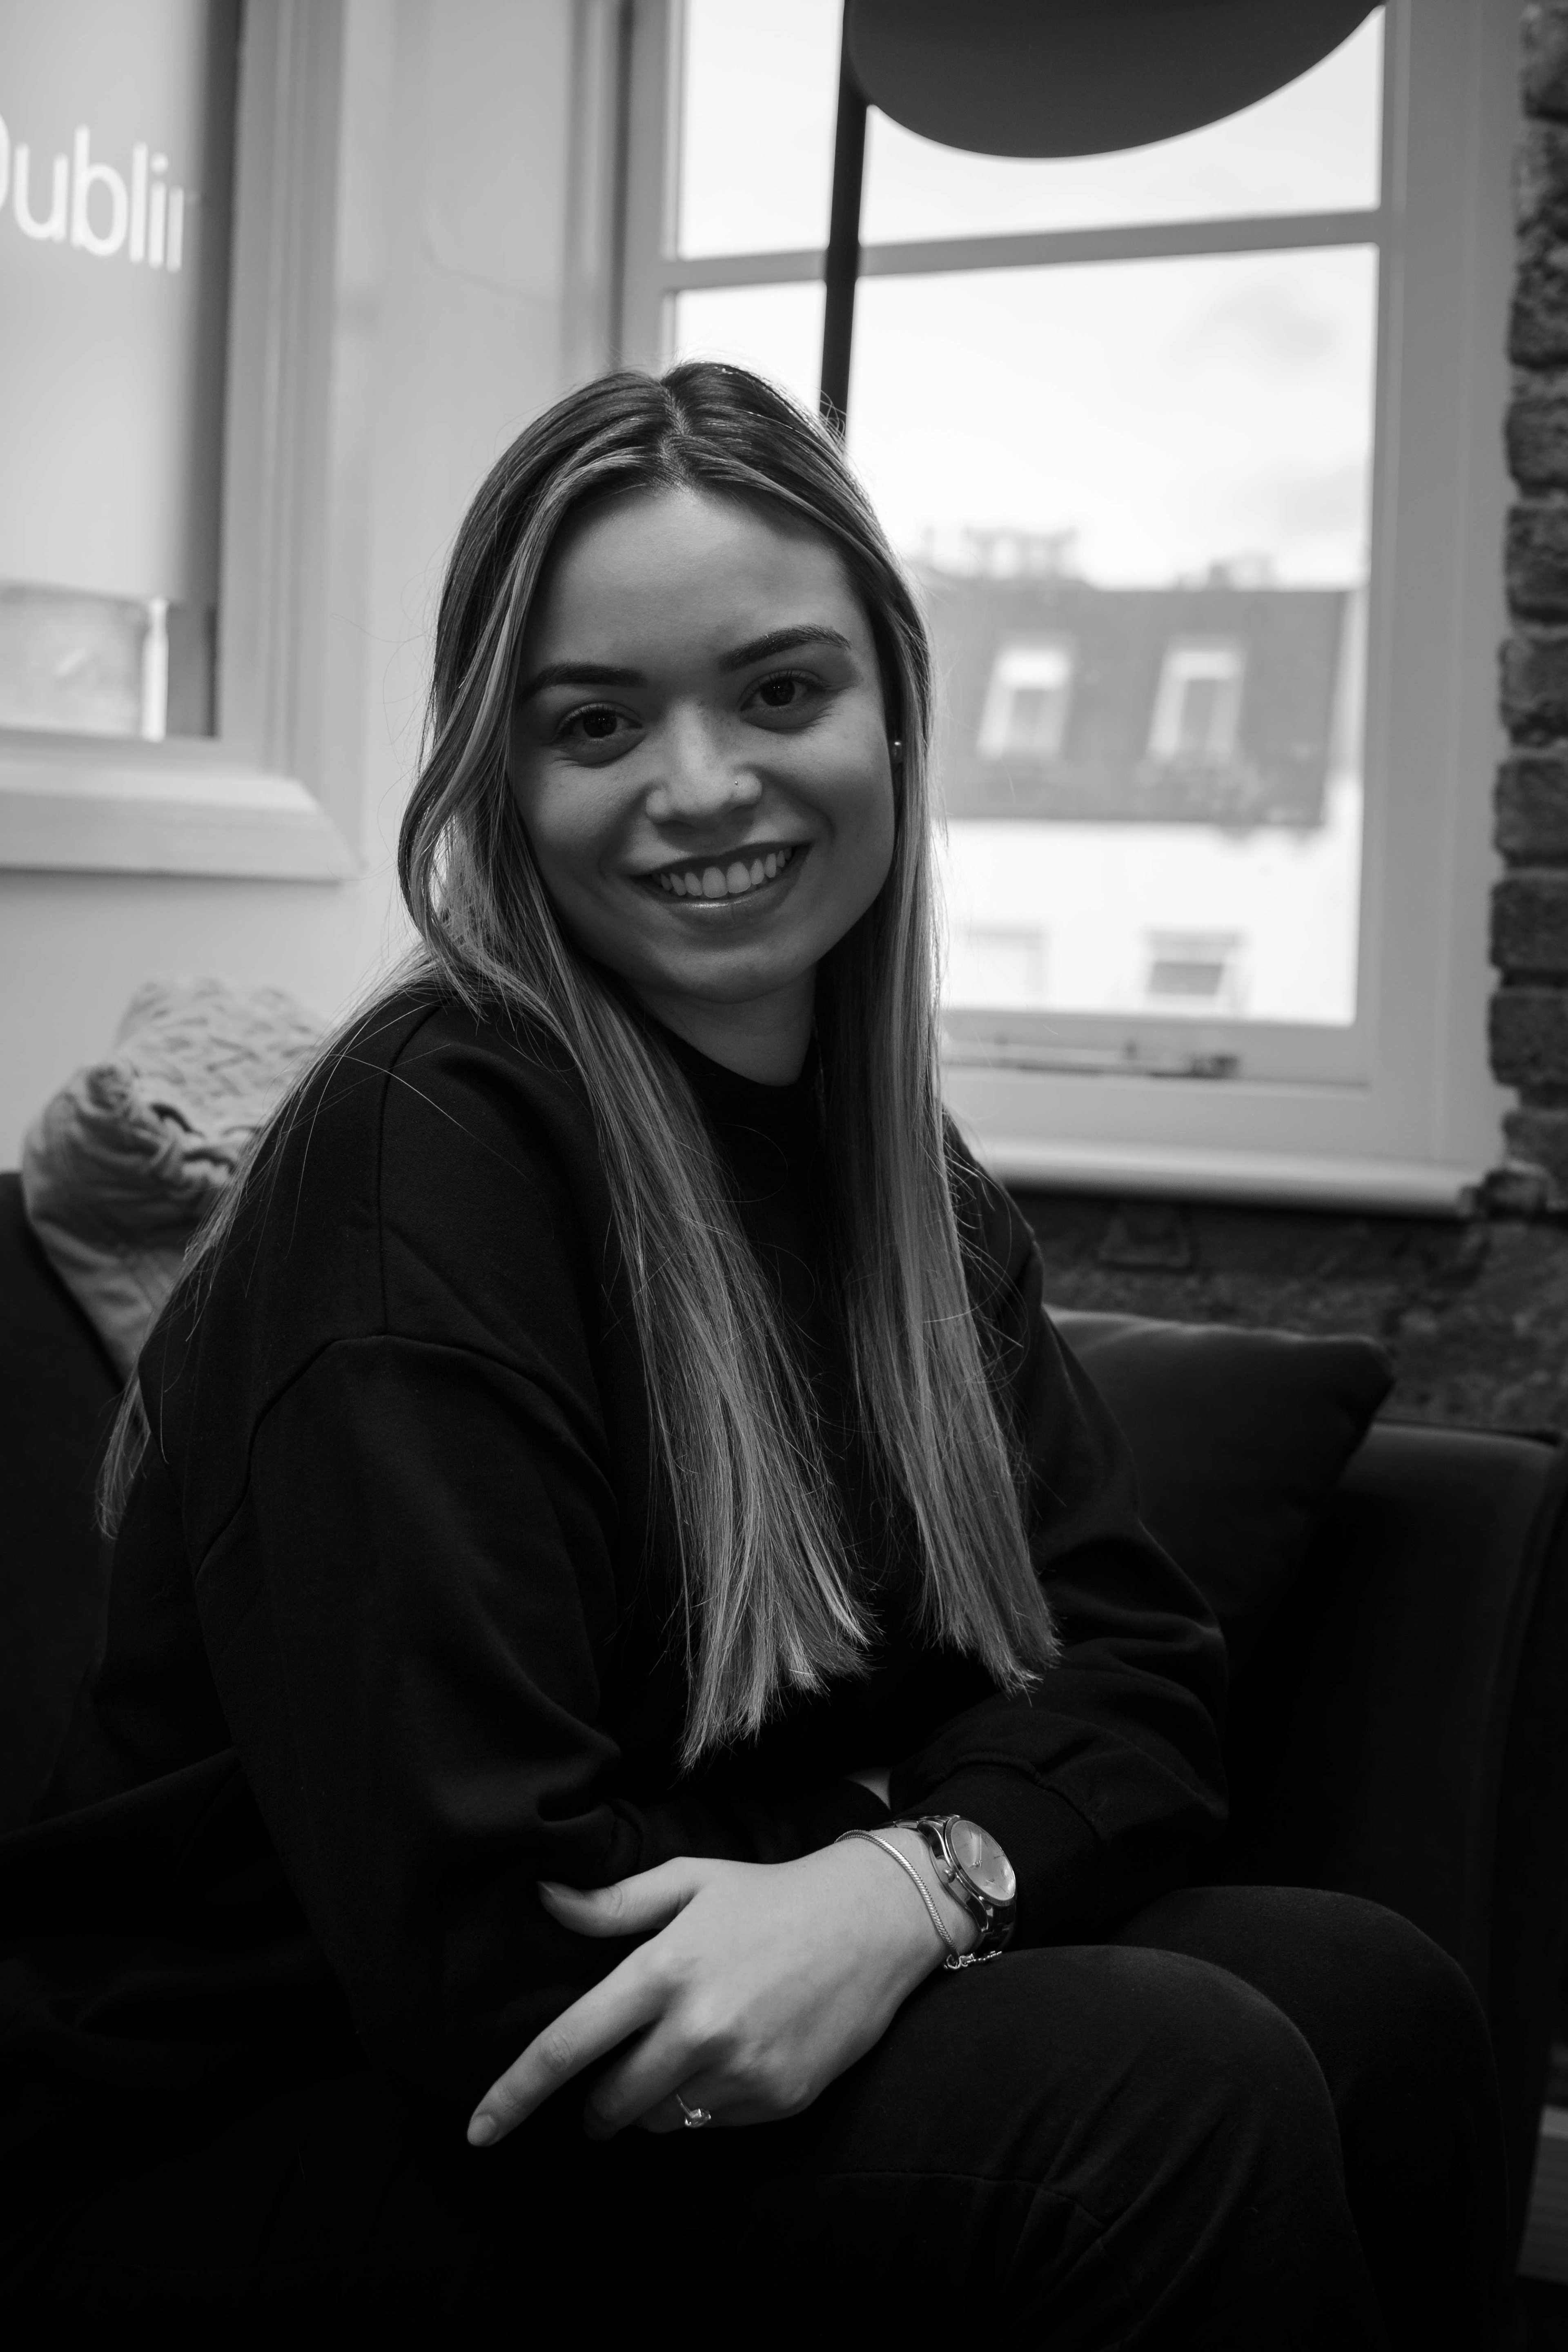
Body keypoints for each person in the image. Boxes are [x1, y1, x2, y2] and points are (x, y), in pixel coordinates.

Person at [0, 363, 1505, 2340]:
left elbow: (1133, 1672)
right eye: (598, 723)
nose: (702, 785)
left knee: (1371, 1997)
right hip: (242, 2143)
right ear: (500, 780)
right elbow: (499, 1951)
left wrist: (903, 1888)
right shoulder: (421, 1159)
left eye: (780, 691)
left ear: (894, 710)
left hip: (547, 2057)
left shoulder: (894, 1179)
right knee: (1169, 2099)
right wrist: (918, 1832)